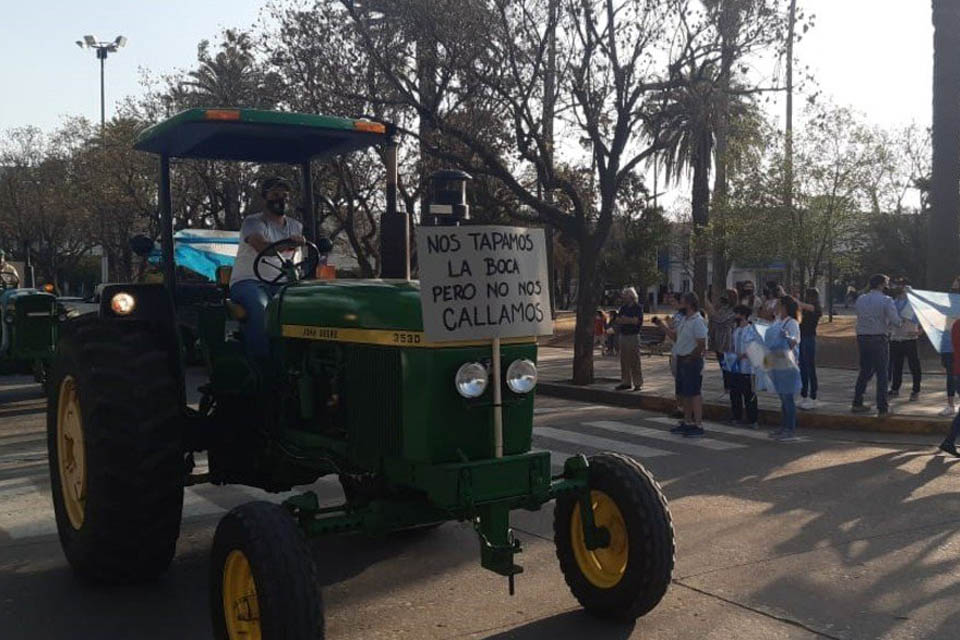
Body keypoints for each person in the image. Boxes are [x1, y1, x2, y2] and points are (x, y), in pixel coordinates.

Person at [230, 177, 306, 359]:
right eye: (275, 194)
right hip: (249, 282)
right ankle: (262, 362)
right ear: (264, 197)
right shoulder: (253, 223)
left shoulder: (295, 226)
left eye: (284, 195)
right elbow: (262, 248)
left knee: (306, 307)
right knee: (262, 308)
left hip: (282, 284)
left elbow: (298, 258)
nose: (281, 199)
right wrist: (288, 243)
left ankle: (296, 358)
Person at [656, 292, 708, 437]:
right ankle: (687, 421)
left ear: (689, 304)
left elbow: (701, 343)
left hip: (691, 361)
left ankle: (698, 424)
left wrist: (691, 357)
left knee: (694, 393)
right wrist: (662, 326)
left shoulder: (697, 321)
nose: (680, 305)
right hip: (681, 358)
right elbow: (675, 337)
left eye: (682, 302)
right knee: (685, 393)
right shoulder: (685, 319)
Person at [851, 273, 902, 416]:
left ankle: (857, 402)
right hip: (879, 338)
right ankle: (882, 407)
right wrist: (901, 321)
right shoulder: (886, 300)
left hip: (862, 337)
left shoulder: (861, 299)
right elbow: (895, 320)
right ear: (881, 284)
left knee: (865, 371)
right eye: (886, 282)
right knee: (882, 373)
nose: (888, 285)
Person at [768, 295, 802, 441]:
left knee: (788, 398)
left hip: (788, 363)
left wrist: (786, 336)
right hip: (777, 362)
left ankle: (790, 429)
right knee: (782, 397)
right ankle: (783, 427)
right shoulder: (778, 321)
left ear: (784, 307)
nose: (775, 307)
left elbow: (794, 342)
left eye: (778, 305)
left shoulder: (792, 322)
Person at [888, 280, 922, 402]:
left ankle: (916, 390)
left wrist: (919, 332)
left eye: (902, 288)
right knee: (896, 366)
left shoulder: (913, 304)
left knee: (914, 366)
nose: (900, 290)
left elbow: (925, 320)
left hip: (910, 339)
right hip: (895, 338)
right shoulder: (892, 303)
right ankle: (895, 388)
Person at [727, 305, 760, 428]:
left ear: (743, 315)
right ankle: (737, 416)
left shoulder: (751, 330)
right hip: (735, 367)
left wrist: (744, 355)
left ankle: (752, 419)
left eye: (737, 314)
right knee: (735, 393)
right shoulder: (736, 331)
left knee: (749, 393)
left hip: (748, 368)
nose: (735, 317)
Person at [705, 288, 737, 396]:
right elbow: (713, 323)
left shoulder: (733, 311)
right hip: (718, 340)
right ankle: (727, 387)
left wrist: (710, 308)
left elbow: (720, 320)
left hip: (727, 341)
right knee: (723, 365)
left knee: (728, 366)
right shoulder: (721, 309)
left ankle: (731, 388)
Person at [938, 276, 960, 416]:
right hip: (948, 344)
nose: (954, 284)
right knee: (951, 375)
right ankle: (950, 405)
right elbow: (931, 304)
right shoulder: (947, 303)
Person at [797, 288, 823, 410]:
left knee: (810, 368)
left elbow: (807, 307)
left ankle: (813, 396)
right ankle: (804, 395)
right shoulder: (804, 309)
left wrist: (794, 300)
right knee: (802, 367)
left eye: (810, 296)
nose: (808, 298)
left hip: (809, 338)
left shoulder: (816, 308)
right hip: (802, 338)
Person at [613, 287, 643, 391]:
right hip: (623, 335)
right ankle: (625, 382)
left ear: (631, 296)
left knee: (634, 359)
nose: (624, 297)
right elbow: (618, 320)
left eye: (625, 295)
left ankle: (637, 383)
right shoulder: (623, 308)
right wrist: (627, 320)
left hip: (633, 336)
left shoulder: (638, 308)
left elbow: (636, 321)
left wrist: (625, 319)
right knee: (624, 360)